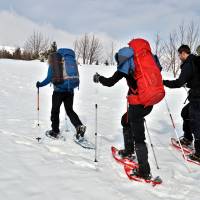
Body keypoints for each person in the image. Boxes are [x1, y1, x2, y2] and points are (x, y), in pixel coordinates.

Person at [93, 45, 162, 179]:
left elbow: (109, 82)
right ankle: (129, 150)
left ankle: (144, 171)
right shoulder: (143, 65)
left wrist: (99, 78)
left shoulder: (125, 69)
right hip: (149, 102)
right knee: (125, 120)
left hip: (138, 105)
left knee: (139, 137)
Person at [36, 52, 86, 139]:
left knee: (55, 111)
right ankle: (79, 126)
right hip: (70, 91)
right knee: (69, 110)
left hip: (58, 91)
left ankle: (55, 131)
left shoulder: (54, 64)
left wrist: (40, 84)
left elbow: (48, 79)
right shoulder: (69, 63)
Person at [163, 44, 200, 162]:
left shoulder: (189, 64)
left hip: (198, 97)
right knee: (185, 113)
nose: (179, 57)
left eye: (179, 54)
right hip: (196, 95)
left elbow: (179, 82)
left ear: (184, 53)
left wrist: (164, 82)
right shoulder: (195, 61)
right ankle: (188, 138)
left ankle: (199, 154)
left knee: (196, 124)